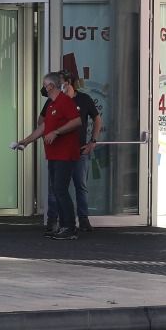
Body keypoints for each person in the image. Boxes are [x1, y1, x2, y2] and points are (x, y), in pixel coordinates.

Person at [15, 72, 83, 241]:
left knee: (60, 189)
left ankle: (69, 227)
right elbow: (44, 127)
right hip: (53, 154)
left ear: (51, 86)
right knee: (57, 190)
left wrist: (57, 132)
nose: (44, 87)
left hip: (65, 154)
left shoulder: (64, 102)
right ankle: (63, 226)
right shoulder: (52, 104)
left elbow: (77, 121)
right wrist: (25, 141)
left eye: (45, 84)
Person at [67, 75, 102, 234]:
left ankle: (83, 219)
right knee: (60, 187)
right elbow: (42, 120)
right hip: (61, 152)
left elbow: (97, 119)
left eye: (65, 82)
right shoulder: (56, 100)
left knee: (81, 186)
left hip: (81, 150)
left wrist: (93, 141)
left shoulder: (84, 99)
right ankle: (60, 220)